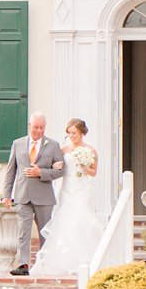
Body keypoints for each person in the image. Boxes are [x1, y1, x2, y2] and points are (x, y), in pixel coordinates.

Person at [30, 118, 106, 277]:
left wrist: (84, 166)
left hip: (82, 188)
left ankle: (84, 259)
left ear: (82, 133)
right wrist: (55, 166)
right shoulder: (63, 149)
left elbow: (94, 172)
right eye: (69, 133)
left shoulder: (91, 150)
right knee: (64, 220)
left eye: (74, 133)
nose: (72, 136)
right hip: (66, 188)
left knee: (80, 220)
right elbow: (55, 165)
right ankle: (65, 260)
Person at [0, 112, 63, 276]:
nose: (39, 131)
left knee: (45, 232)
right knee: (23, 231)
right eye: (36, 127)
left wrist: (40, 172)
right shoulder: (17, 144)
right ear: (30, 126)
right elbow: (10, 171)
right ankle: (23, 265)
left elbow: (60, 171)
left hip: (44, 196)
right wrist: (6, 195)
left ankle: (45, 264)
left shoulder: (53, 145)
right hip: (23, 195)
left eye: (42, 128)